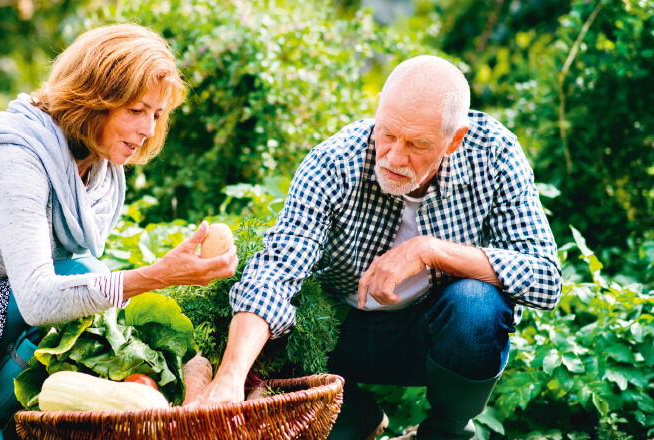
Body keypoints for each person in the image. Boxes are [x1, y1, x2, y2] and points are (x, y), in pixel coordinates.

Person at [0, 23, 238, 440]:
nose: (149, 130)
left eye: (156, 115)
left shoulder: (98, 168)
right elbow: (40, 298)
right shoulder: (18, 158)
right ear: (94, 100)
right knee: (78, 276)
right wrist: (160, 274)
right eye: (136, 111)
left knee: (88, 282)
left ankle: (7, 419)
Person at [191, 55, 561, 440]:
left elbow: (545, 277)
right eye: (387, 134)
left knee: (477, 302)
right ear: (379, 105)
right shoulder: (334, 162)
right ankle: (356, 417)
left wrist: (427, 250)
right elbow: (276, 271)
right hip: (337, 336)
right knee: (274, 359)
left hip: (429, 338)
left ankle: (445, 430)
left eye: (418, 144)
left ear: (454, 139)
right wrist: (229, 379)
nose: (395, 158)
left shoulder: (494, 153)